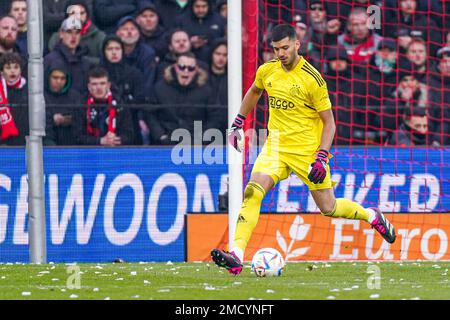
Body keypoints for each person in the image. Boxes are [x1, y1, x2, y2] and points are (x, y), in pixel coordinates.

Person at [211, 24, 396, 276]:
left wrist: (321, 157)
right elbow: (255, 91)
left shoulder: (312, 79)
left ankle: (371, 215)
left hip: (307, 152)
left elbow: (329, 122)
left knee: (328, 208)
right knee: (252, 193)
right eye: (276, 49)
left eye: (285, 47)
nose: (280, 53)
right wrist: (238, 121)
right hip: (275, 147)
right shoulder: (268, 71)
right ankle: (236, 255)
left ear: (297, 44)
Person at [147, 52, 212, 145]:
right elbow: (150, 114)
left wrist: (202, 138)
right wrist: (161, 135)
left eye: (191, 68)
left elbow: (214, 117)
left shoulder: (206, 91)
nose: (186, 71)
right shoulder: (159, 88)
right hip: (166, 142)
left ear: (196, 69)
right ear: (175, 67)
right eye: (182, 67)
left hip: (196, 143)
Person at [100, 35, 148, 145]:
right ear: (104, 52)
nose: (114, 52)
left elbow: (140, 99)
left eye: (117, 49)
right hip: (102, 124)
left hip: (130, 124)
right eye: (110, 49)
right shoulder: (97, 73)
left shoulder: (134, 73)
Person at [75, 67, 135, 146]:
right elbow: (78, 137)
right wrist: (100, 141)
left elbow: (129, 135)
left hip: (116, 152)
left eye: (102, 83)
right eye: (94, 84)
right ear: (89, 87)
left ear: (108, 85)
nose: (99, 88)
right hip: (89, 153)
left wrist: (115, 139)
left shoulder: (120, 104)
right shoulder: (81, 105)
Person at [44, 17, 92, 96]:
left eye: (77, 32)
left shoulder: (85, 63)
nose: (73, 36)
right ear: (61, 34)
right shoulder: (50, 60)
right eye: (69, 32)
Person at [47, 0, 106, 65]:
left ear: (87, 15)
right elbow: (51, 61)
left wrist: (82, 60)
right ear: (67, 15)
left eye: (82, 13)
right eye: (73, 13)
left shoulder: (99, 37)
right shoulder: (56, 38)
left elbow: (105, 62)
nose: (78, 17)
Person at [44, 62, 83, 146]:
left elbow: (80, 120)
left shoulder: (75, 96)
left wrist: (68, 119)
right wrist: (52, 120)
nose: (59, 81)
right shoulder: (40, 96)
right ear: (48, 77)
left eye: (62, 78)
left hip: (71, 143)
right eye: (55, 78)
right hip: (48, 143)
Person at [0, 52, 28, 146]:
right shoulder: (1, 90)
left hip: (24, 140)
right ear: (2, 71)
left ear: (20, 70)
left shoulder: (28, 89)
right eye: (8, 68)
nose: (12, 71)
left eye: (16, 67)